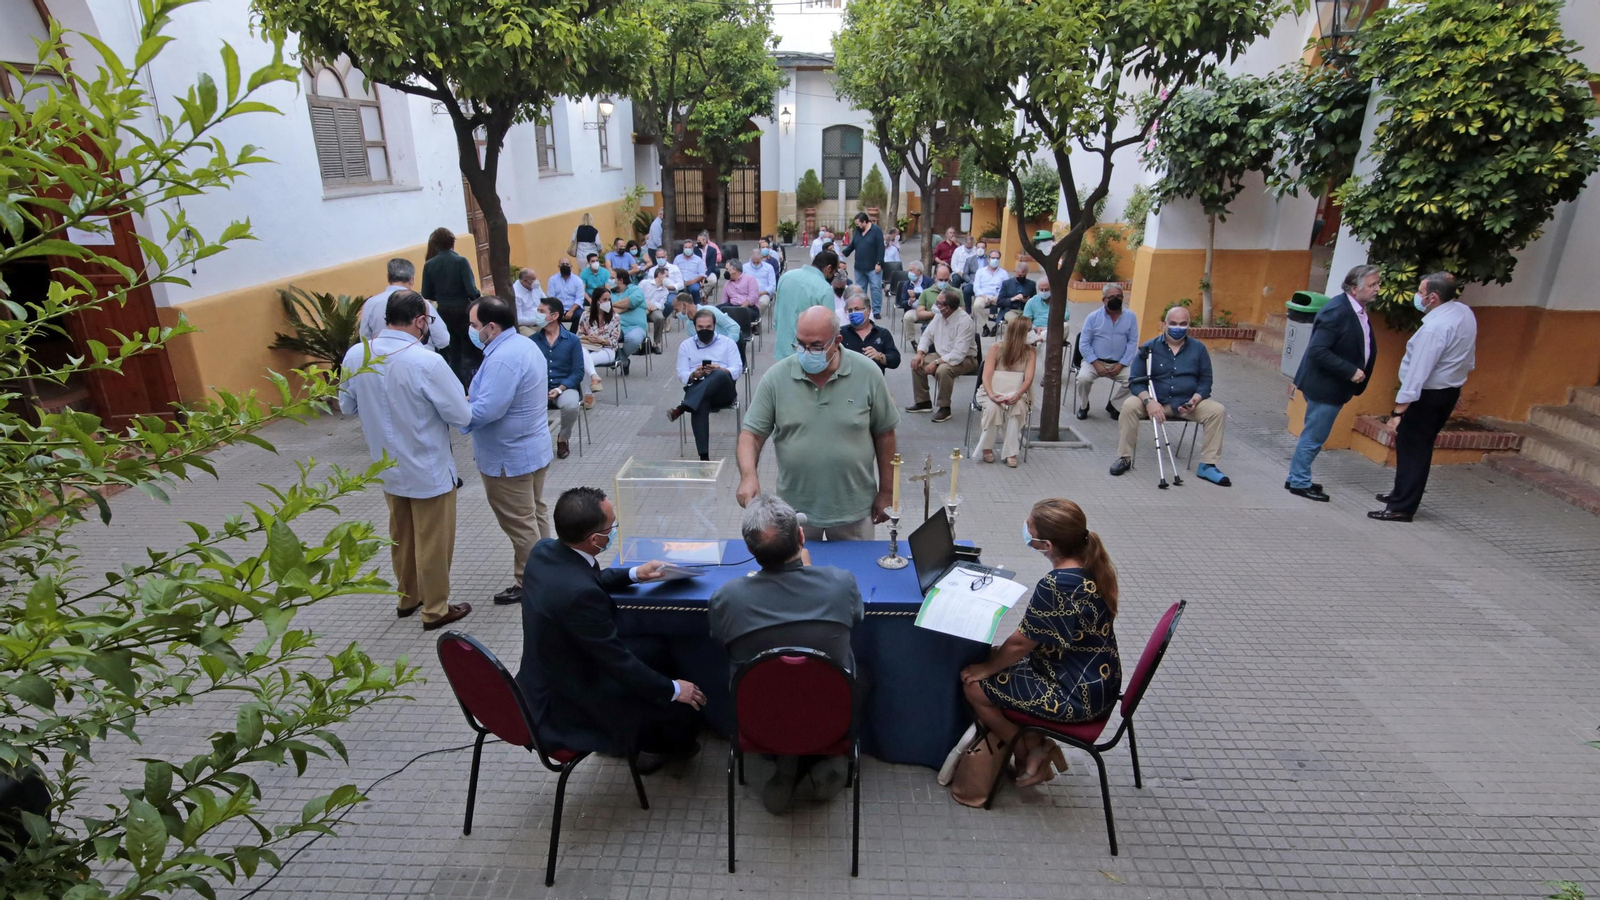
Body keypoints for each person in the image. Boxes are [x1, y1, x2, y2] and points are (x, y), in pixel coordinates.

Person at [515, 486, 705, 770]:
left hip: (545, 672)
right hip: (570, 696)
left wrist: (633, 574)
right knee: (676, 708)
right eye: (612, 526)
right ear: (594, 539)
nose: (614, 529)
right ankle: (655, 747)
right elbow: (618, 662)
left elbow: (581, 578)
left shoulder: (544, 551)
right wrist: (674, 689)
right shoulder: (581, 597)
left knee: (654, 649)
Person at [709, 494, 863, 813]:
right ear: (802, 537)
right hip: (831, 714)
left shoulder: (726, 598)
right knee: (863, 673)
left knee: (782, 684)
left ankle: (787, 765)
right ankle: (821, 760)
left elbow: (720, 640)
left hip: (761, 718)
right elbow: (856, 618)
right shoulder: (841, 584)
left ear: (751, 551)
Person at [960, 499, 1120, 787]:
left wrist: (985, 669)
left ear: (1046, 545)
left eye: (1029, 527)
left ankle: (1032, 753)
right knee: (996, 658)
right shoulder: (1089, 564)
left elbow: (1021, 645)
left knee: (974, 686)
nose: (1025, 528)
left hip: (1075, 695)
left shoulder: (1058, 584)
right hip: (1096, 681)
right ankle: (1037, 745)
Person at [338, 290, 472, 630]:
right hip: (427, 464)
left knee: (401, 534)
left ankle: (407, 597)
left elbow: (346, 407)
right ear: (420, 321)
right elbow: (460, 413)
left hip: (384, 465)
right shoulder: (426, 360)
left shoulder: (357, 354)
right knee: (433, 541)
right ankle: (436, 608)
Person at [739, 307, 898, 540]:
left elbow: (885, 435)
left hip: (853, 510)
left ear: (837, 341)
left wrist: (887, 490)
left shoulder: (868, 373)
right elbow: (751, 435)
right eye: (801, 344)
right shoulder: (776, 377)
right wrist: (748, 475)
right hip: (794, 510)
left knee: (855, 573)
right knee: (796, 572)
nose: (806, 352)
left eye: (816, 346)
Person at [462, 296, 553, 607]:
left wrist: (457, 411)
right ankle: (547, 573)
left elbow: (488, 409)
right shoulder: (524, 345)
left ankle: (532, 584)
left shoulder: (503, 357)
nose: (471, 331)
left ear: (491, 326)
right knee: (534, 515)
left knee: (520, 523)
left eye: (474, 326)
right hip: (530, 449)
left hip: (508, 458)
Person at [1370, 271, 1477, 523]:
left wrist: (1398, 412)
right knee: (1418, 446)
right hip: (1446, 391)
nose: (1416, 297)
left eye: (1420, 292)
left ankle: (1402, 507)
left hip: (1427, 395)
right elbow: (1468, 357)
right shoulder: (1464, 313)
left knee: (1413, 448)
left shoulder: (1434, 328)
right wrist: (1457, 385)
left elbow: (1418, 373)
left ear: (1433, 297)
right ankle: (1400, 494)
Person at [1109, 304, 1231, 485]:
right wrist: (1149, 401)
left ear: (1189, 325)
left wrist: (1195, 399)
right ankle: (1125, 457)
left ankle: (1208, 465)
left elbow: (1206, 382)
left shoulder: (1199, 349)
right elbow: (1135, 380)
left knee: (1217, 410)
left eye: (1183, 324)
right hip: (1155, 402)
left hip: (1186, 403)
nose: (1177, 327)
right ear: (1165, 324)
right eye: (1173, 323)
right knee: (1128, 406)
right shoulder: (1149, 348)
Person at [1287, 264, 1380, 502]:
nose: (1377, 289)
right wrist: (1350, 371)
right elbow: (1317, 350)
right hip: (1325, 386)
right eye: (1372, 285)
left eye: (1377, 284)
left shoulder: (1355, 309)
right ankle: (1299, 481)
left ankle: (1298, 476)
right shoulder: (1337, 311)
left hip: (1332, 386)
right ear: (1353, 288)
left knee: (1314, 435)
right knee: (1314, 436)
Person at [671, 308, 744, 461]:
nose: (704, 330)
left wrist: (722, 369)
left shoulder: (728, 343)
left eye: (708, 327)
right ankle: (704, 457)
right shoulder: (686, 345)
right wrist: (693, 375)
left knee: (717, 373)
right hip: (698, 388)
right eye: (700, 328)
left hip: (723, 391)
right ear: (695, 327)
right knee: (700, 403)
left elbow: (737, 369)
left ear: (714, 326)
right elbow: (681, 373)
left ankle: (683, 407)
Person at [420, 226, 481, 386]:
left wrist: (442, 297)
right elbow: (471, 290)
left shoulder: (429, 264)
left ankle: (457, 385)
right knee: (470, 349)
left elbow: (426, 293)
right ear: (452, 242)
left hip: (443, 312)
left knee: (453, 351)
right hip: (463, 310)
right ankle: (473, 383)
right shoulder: (461, 261)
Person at [907, 288, 979, 423]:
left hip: (966, 359)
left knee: (943, 370)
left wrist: (936, 363)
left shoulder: (965, 321)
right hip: (942, 354)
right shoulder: (939, 316)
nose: (935, 304)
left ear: (947, 308)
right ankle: (923, 402)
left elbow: (959, 354)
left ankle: (944, 407)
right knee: (917, 363)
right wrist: (920, 353)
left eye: (938, 303)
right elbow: (927, 335)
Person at [977, 315, 1036, 467]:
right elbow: (987, 375)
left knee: (1016, 409)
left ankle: (1011, 451)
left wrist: (1017, 395)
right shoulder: (996, 348)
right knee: (992, 408)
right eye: (1029, 330)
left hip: (1019, 393)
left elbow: (1028, 379)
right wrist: (991, 395)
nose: (1032, 332)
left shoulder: (1030, 352)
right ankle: (987, 448)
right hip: (992, 391)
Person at [529, 296, 584, 459]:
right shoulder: (532, 341)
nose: (537, 315)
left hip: (564, 387)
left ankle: (562, 438)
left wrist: (560, 389)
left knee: (570, 406)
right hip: (539, 388)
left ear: (554, 316)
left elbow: (578, 372)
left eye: (541, 312)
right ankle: (538, 442)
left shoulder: (572, 340)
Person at [1074, 284, 1138, 420]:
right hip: (1094, 362)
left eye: (1119, 296)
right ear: (1104, 300)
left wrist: (1122, 364)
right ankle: (1084, 406)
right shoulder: (1093, 317)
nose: (1116, 299)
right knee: (1083, 378)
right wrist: (1096, 364)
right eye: (1112, 297)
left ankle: (1115, 405)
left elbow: (1133, 342)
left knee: (1136, 380)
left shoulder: (1131, 317)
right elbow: (1084, 343)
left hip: (1119, 364)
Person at [359, 257, 447, 350]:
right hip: (418, 357)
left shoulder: (371, 303)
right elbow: (442, 340)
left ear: (389, 277)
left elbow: (365, 338)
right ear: (411, 279)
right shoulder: (421, 303)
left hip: (381, 358)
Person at [772, 248, 840, 361]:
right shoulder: (824, 288)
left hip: (782, 348)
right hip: (809, 352)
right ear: (828, 268)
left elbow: (777, 315)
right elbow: (830, 327)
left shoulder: (786, 277)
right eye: (835, 271)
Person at [839, 291, 899, 371]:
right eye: (850, 310)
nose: (853, 313)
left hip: (874, 381)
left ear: (868, 310)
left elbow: (895, 360)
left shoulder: (882, 333)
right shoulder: (841, 333)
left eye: (857, 309)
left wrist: (879, 356)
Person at [840, 212, 885, 317]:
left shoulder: (876, 231)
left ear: (864, 222)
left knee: (876, 289)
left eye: (858, 224)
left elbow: (880, 248)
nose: (857, 226)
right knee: (860, 290)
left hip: (873, 267)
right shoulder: (858, 232)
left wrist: (879, 263)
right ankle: (862, 308)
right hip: (859, 267)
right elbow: (853, 245)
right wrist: (844, 252)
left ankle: (876, 310)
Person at [578, 286, 624, 385]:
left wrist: (601, 340)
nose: (607, 302)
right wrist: (588, 337)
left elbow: (615, 341)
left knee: (586, 361)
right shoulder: (586, 315)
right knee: (582, 354)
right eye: (604, 299)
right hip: (588, 346)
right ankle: (594, 380)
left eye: (609, 300)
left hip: (607, 349)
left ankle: (588, 394)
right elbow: (579, 335)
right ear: (597, 301)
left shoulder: (615, 317)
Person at [903, 263, 951, 344]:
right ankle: (912, 341)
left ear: (919, 272)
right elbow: (901, 302)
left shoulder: (929, 281)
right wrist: (909, 302)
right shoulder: (906, 284)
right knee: (907, 317)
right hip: (914, 309)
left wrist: (916, 295)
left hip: (927, 308)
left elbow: (929, 294)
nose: (909, 272)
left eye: (911, 270)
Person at [672, 291, 740, 344]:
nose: (676, 314)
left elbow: (734, 327)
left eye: (677, 310)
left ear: (685, 305)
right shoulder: (689, 326)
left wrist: (727, 345)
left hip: (729, 345)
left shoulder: (710, 311)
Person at [611, 270, 650, 358]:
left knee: (634, 339)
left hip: (635, 326)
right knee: (603, 337)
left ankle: (621, 357)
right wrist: (627, 306)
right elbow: (604, 308)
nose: (609, 281)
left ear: (620, 280)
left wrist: (612, 304)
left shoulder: (636, 290)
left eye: (612, 278)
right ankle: (620, 360)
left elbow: (632, 301)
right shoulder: (609, 293)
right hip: (613, 326)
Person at [969, 248, 1008, 333]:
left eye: (997, 258)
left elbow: (1006, 288)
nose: (995, 260)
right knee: (976, 305)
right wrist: (984, 296)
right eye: (993, 258)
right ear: (988, 259)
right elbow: (976, 288)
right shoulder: (980, 272)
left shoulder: (1003, 273)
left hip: (998, 297)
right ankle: (985, 326)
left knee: (1007, 304)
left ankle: (996, 326)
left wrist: (998, 296)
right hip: (983, 296)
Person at [640, 264, 678, 349]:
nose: (668, 278)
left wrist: (652, 305)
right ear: (660, 275)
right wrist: (647, 304)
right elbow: (638, 296)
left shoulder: (665, 291)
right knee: (637, 317)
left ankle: (656, 343)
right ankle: (640, 344)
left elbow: (661, 305)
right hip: (641, 307)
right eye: (666, 276)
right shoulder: (645, 283)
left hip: (654, 309)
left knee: (660, 317)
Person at [545, 255, 585, 323]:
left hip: (574, 309)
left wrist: (570, 311)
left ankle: (572, 333)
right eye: (563, 264)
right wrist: (559, 311)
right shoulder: (553, 280)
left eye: (567, 264)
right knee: (549, 316)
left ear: (571, 266)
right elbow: (551, 298)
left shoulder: (578, 280)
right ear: (559, 266)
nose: (565, 265)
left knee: (581, 315)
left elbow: (579, 298)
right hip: (557, 309)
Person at [997, 259, 1038, 324]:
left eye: (1023, 276)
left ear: (1026, 273)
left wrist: (1027, 301)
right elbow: (999, 302)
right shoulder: (1007, 283)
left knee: (1028, 323)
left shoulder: (1031, 284)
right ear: (1015, 272)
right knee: (1016, 322)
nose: (1021, 277)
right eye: (1019, 275)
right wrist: (1012, 299)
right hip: (1010, 310)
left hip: (1025, 310)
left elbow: (1035, 301)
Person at [1020, 279, 1058, 344]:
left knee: (1065, 326)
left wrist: (1047, 329)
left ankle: (1042, 337)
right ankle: (1042, 337)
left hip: (1054, 329)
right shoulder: (1031, 302)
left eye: (1046, 290)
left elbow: (1066, 315)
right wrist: (1035, 328)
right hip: (1036, 330)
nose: (1043, 292)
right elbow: (1026, 320)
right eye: (1041, 290)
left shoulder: (1059, 300)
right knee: (1045, 340)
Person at [741, 252, 776, 319]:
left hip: (763, 293)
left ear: (761, 259)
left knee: (764, 302)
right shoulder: (744, 267)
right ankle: (745, 318)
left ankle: (755, 318)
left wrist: (761, 292)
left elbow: (772, 285)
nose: (756, 264)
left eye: (758, 262)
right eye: (754, 262)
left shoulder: (769, 267)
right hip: (747, 293)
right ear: (751, 259)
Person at [512, 267, 546, 334]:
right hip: (524, 326)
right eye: (533, 279)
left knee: (555, 333)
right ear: (525, 281)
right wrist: (537, 319)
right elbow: (518, 319)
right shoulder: (516, 294)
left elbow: (545, 301)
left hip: (541, 321)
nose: (536, 280)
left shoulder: (535, 286)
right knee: (534, 340)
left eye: (535, 277)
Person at [675, 239, 708, 304]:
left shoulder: (698, 259)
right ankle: (679, 310)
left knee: (695, 289)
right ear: (683, 248)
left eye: (689, 247)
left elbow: (702, 274)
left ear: (692, 248)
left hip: (693, 282)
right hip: (680, 282)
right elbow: (673, 272)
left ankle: (697, 307)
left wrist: (692, 281)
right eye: (686, 247)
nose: (687, 249)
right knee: (677, 291)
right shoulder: (677, 258)